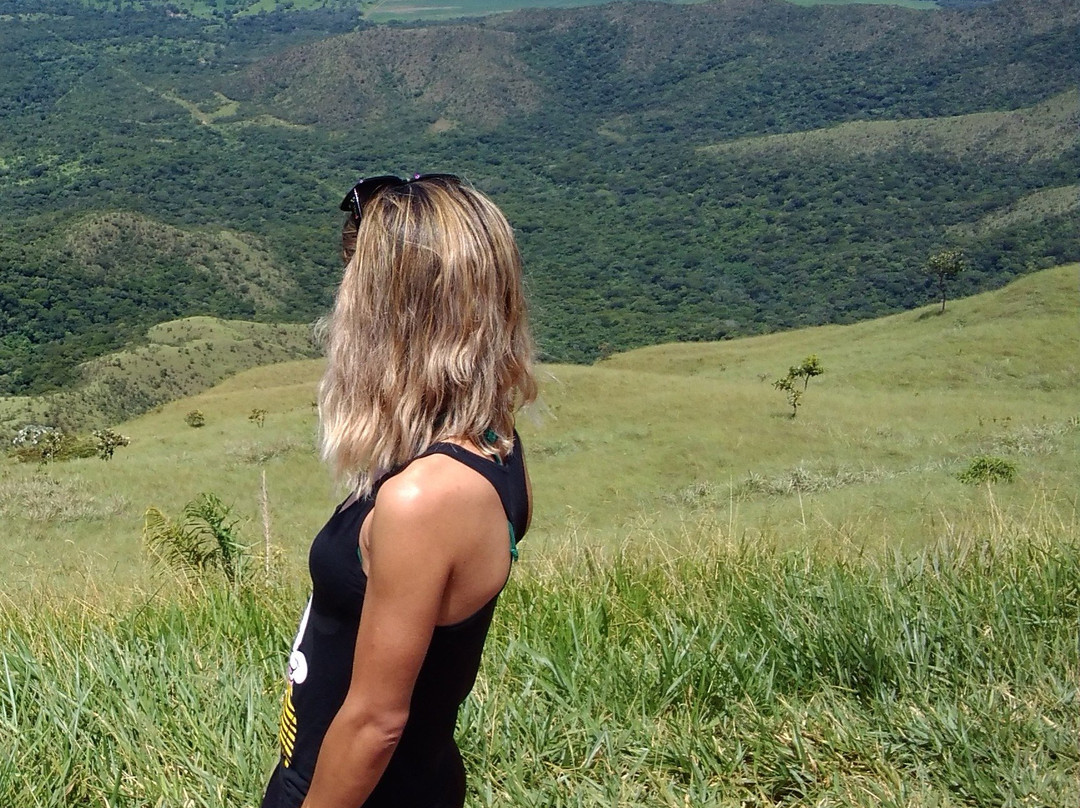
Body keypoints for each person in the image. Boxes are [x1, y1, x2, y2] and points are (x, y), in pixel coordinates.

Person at [260, 173, 537, 808]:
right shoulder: (494, 442)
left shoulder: (425, 499)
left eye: (355, 285)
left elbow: (376, 723)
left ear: (395, 315)